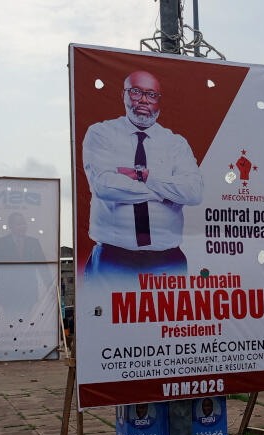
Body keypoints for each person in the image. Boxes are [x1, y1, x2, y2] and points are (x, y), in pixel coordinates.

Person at [82, 70, 203, 282]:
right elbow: (104, 186)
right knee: (105, 307)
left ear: (159, 100)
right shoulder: (101, 133)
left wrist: (144, 176)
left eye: (152, 95)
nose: (144, 100)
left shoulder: (176, 143)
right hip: (112, 261)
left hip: (168, 262)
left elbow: (193, 192)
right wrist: (165, 193)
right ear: (123, 95)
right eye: (136, 92)